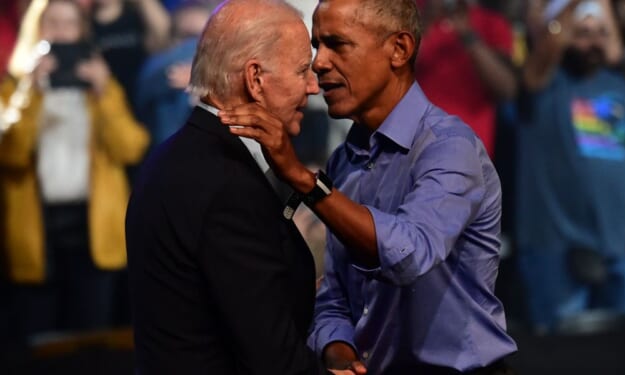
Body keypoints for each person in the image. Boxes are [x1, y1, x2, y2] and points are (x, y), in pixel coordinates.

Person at [220, 0, 517, 373]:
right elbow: (336, 294)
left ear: (399, 49)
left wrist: (302, 180)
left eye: (337, 44)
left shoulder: (449, 147)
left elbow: (410, 255)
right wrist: (337, 345)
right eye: (317, 45)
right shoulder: (345, 161)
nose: (319, 62)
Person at [125, 1, 354, 374]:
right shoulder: (226, 184)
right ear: (255, 79)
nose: (314, 86)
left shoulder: (176, 157)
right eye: (301, 70)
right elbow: (270, 354)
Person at [0, 0, 149, 338]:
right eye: (52, 23)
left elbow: (132, 147)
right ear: (36, 30)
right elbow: (11, 155)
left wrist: (103, 92)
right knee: (37, 339)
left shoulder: (103, 89)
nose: (61, 32)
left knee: (93, 336)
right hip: (38, 229)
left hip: (93, 226)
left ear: (82, 30)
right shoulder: (15, 88)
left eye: (70, 24)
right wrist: (32, 91)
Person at [515, 0, 625, 334]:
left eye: (600, 33)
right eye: (582, 32)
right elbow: (546, 50)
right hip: (554, 246)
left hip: (618, 245)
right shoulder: (540, 85)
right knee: (563, 352)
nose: (593, 41)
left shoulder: (621, 89)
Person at [415, 0, 516, 160]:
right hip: (414, 153)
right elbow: (394, 72)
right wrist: (425, 23)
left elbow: (506, 88)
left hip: (467, 157)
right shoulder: (413, 16)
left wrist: (468, 35)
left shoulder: (492, 23)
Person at [134, 0, 212, 147]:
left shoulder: (230, 74)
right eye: (186, 37)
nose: (192, 47)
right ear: (172, 40)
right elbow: (146, 88)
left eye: (200, 37)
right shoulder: (155, 73)